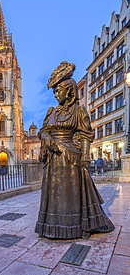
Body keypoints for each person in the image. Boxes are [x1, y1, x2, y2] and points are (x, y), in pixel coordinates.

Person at [35, 61, 114, 240]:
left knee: (71, 194)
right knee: (54, 194)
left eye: (59, 90)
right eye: (54, 91)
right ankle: (52, 226)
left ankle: (75, 225)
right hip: (53, 159)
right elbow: (43, 130)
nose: (56, 94)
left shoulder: (79, 111)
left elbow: (86, 135)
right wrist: (46, 138)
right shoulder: (51, 112)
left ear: (69, 90)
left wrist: (85, 157)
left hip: (70, 158)